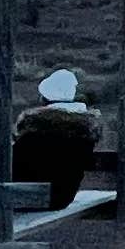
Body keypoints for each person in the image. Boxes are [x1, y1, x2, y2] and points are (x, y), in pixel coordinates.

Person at [11, 65, 98, 207]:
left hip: (27, 197)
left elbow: (14, 164)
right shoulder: (83, 129)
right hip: (63, 197)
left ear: (44, 98)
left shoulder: (34, 129)